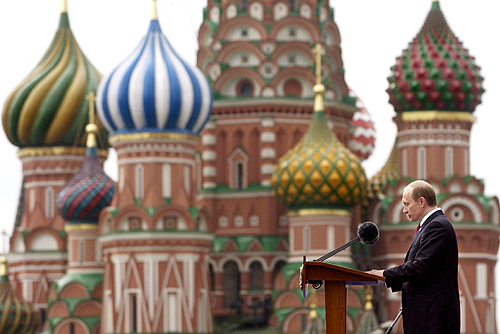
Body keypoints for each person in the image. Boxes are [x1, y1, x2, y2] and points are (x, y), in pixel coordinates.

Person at [367, 180, 459, 334]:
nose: (404, 210)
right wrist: (384, 280)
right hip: (426, 318)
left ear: (421, 201)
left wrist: (384, 274)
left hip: (433, 320)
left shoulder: (437, 226)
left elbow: (420, 267)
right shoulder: (430, 226)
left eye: (407, 204)